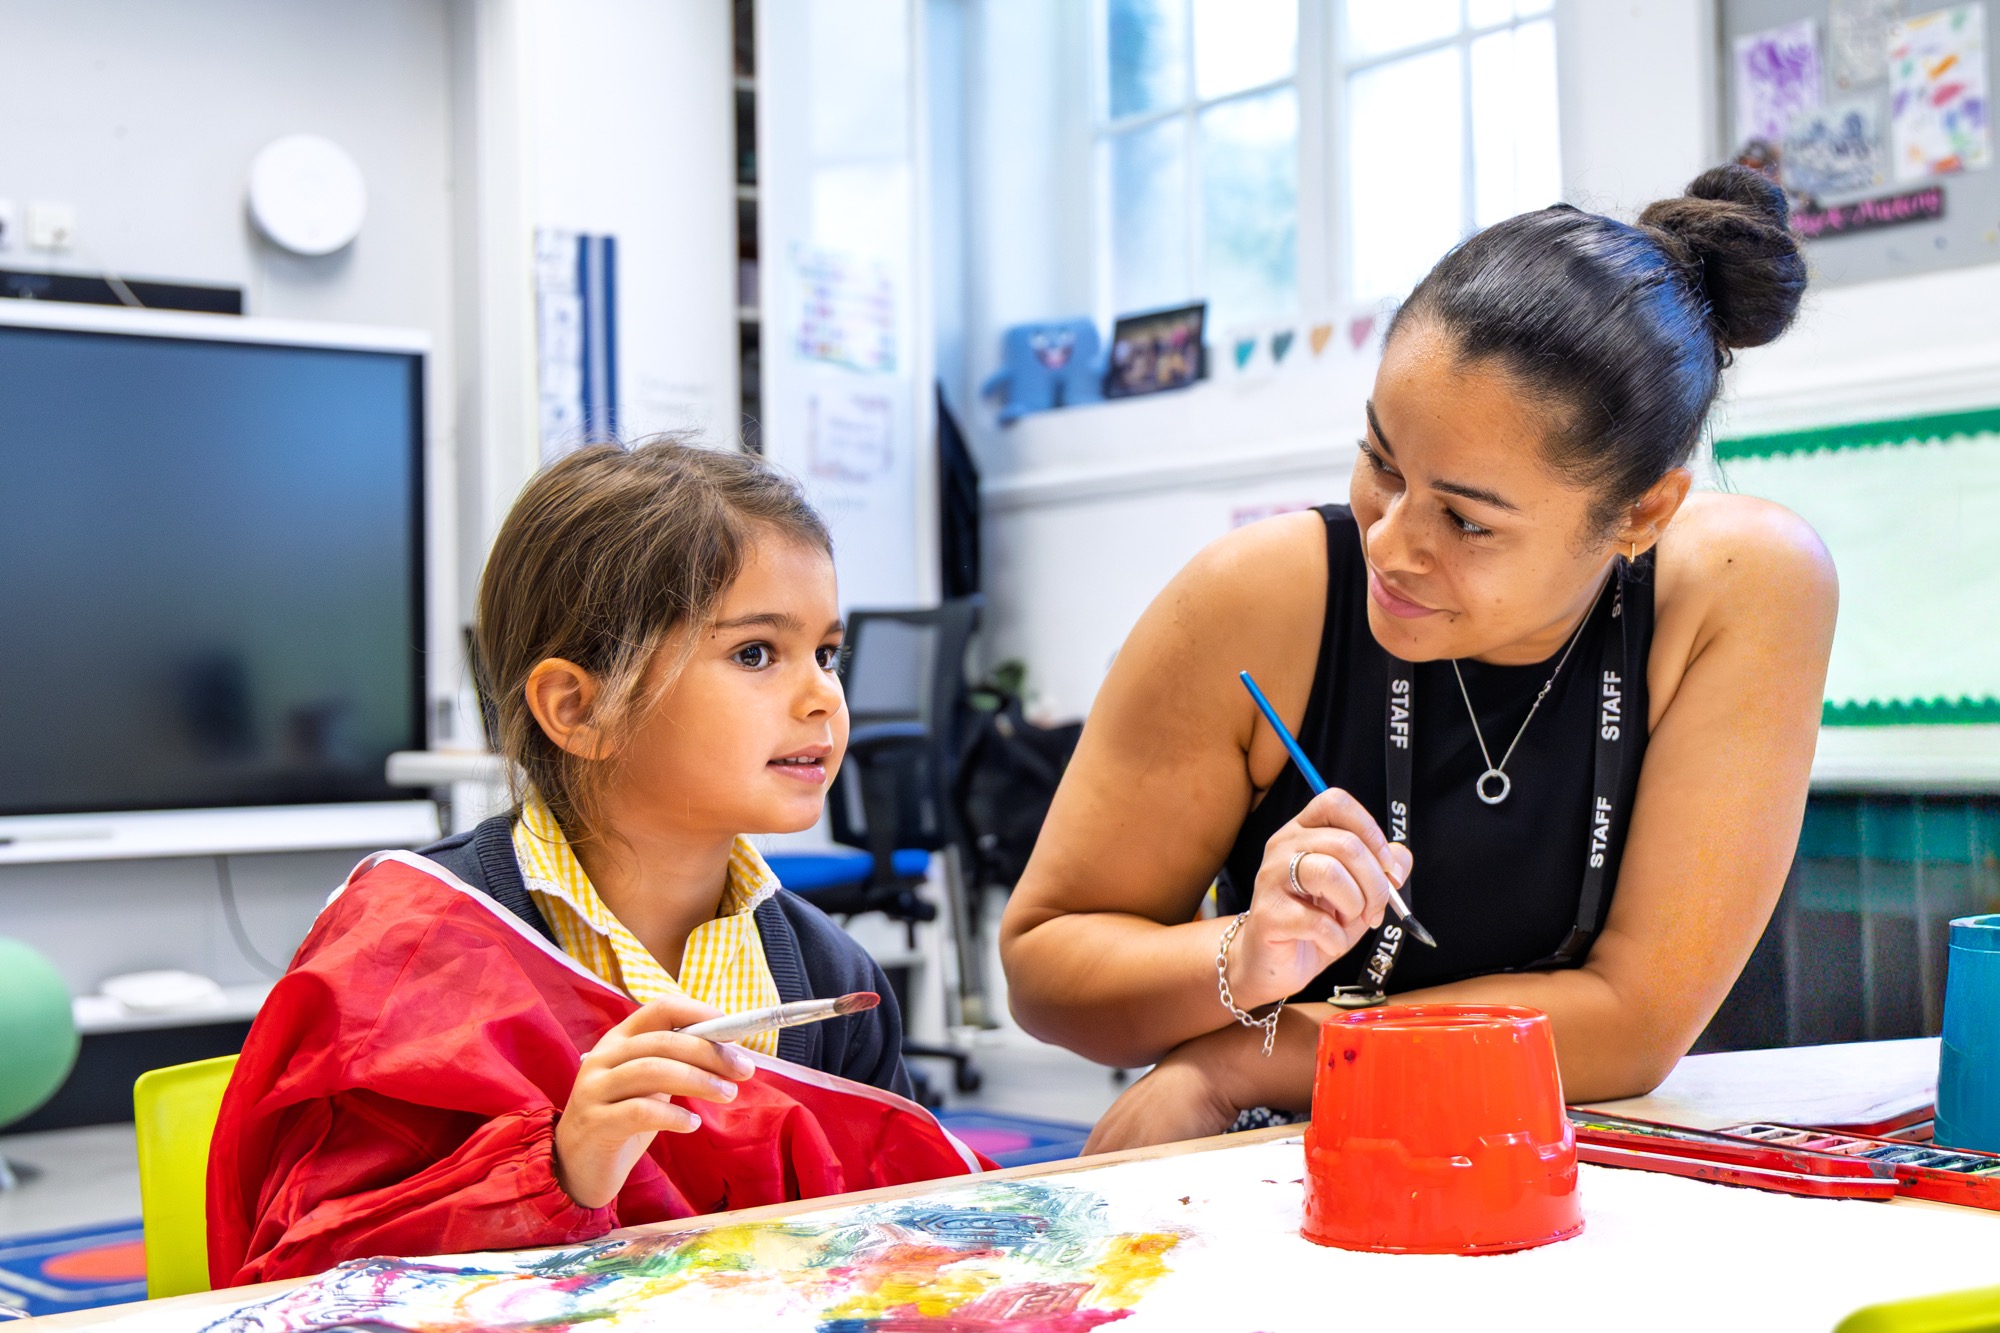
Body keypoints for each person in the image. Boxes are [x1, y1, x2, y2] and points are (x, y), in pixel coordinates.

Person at [999, 167, 1837, 1151]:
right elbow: (1046, 971)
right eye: (1380, 463)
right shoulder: (1257, 599)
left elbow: (1633, 1021)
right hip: (1273, 1162)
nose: (1391, 545)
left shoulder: (1745, 585)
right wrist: (1241, 951)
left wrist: (1249, 1055)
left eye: (1467, 521)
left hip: (1563, 1154)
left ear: (1642, 512)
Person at [209, 440, 980, 1286]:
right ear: (578, 708)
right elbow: (308, 1272)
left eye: (827, 653)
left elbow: (893, 1246)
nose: (823, 697)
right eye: (757, 652)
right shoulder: (405, 950)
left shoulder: (837, 977)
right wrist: (564, 1165)